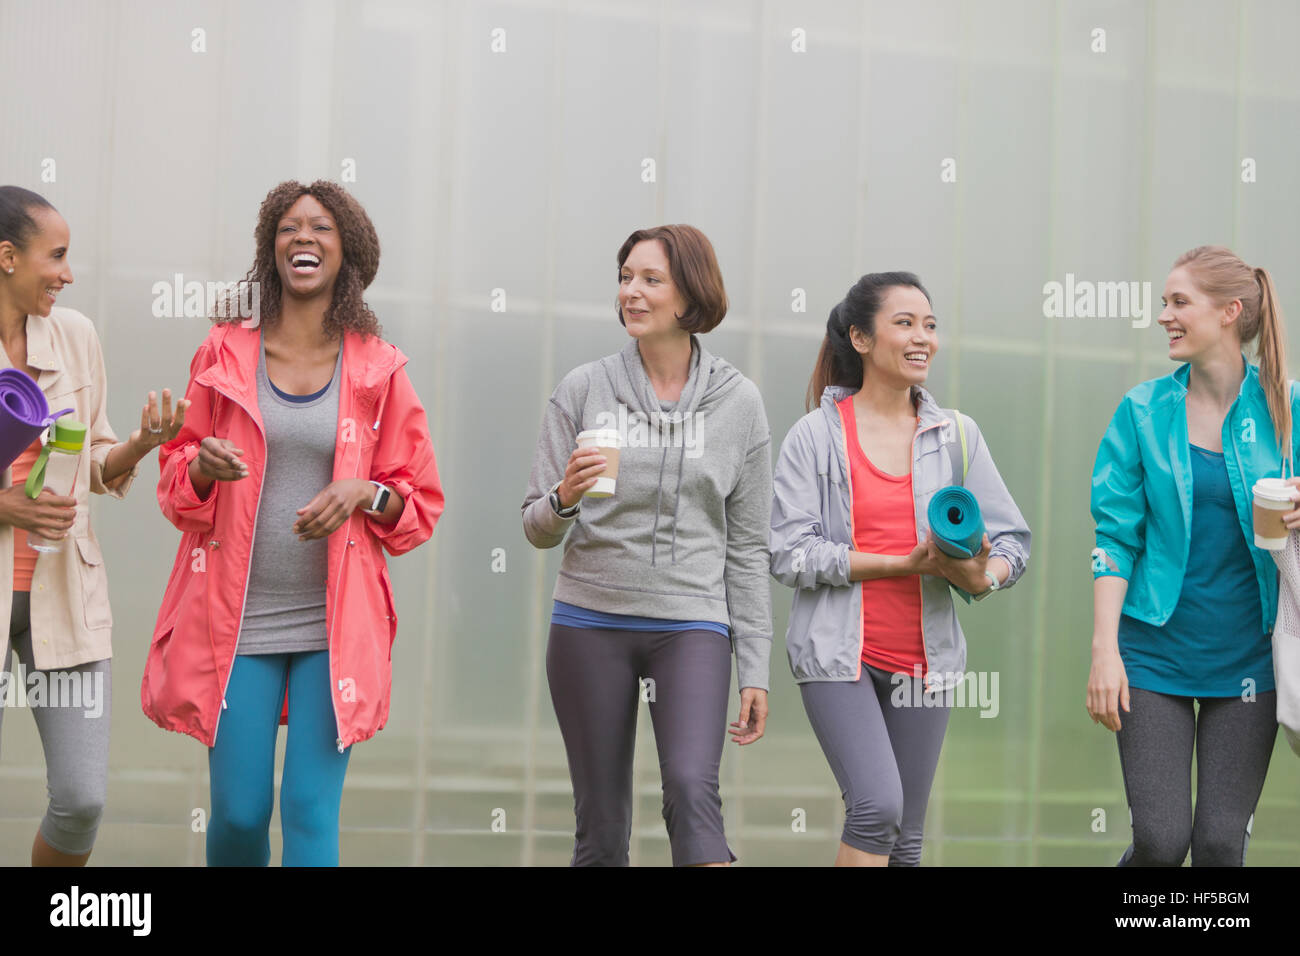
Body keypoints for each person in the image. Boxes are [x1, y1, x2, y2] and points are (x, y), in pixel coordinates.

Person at [144, 180, 443, 866]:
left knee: (309, 811)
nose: (302, 237)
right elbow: (173, 477)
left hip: (332, 630)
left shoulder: (379, 369)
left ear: (348, 253)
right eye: (287, 227)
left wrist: (364, 490)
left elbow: (417, 502)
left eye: (321, 228)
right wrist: (198, 467)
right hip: (236, 623)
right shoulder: (223, 353)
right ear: (269, 248)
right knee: (241, 814)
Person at [522, 224, 772, 866]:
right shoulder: (583, 388)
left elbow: (746, 549)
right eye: (625, 278)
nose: (631, 292)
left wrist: (757, 667)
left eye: (650, 279)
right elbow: (535, 525)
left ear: (691, 294)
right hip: (587, 623)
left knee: (692, 791)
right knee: (601, 825)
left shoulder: (739, 404)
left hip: (691, 626)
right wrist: (565, 497)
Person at [770, 272, 1030, 866]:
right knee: (877, 806)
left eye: (931, 325)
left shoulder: (956, 435)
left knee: (907, 840)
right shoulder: (814, 437)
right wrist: (900, 563)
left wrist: (983, 578)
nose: (923, 338)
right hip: (839, 658)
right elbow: (788, 552)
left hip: (927, 663)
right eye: (905, 323)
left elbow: (1013, 540)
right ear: (860, 338)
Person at [1088, 245, 1290, 866]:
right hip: (1152, 657)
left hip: (1251, 660)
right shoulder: (1143, 410)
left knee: (1221, 846)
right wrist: (1104, 649)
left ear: (1230, 312)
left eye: (1179, 302)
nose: (1163, 316)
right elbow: (1116, 536)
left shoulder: (1289, 411)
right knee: (1160, 841)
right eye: (1164, 302)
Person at [0, 185, 184, 865]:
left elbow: (98, 462)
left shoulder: (75, 337)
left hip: (64, 592)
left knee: (81, 801)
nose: (68, 274)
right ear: (7, 257)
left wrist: (139, 445)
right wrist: (6, 507)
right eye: (58, 256)